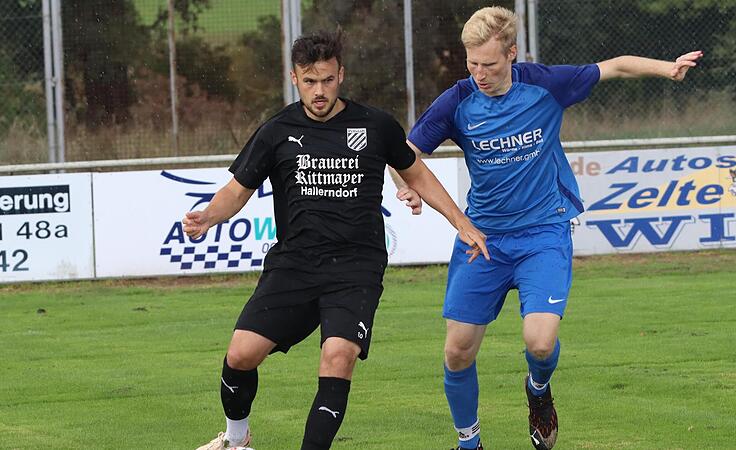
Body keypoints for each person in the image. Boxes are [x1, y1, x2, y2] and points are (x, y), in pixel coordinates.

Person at [391, 7, 702, 450]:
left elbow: (613, 66)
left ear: (512, 54)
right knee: (457, 351)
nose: (479, 73)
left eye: (490, 65)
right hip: (483, 238)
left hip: (543, 232)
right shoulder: (458, 100)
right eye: (472, 63)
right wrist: (407, 186)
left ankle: (538, 391)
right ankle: (469, 443)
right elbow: (403, 151)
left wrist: (667, 68)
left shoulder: (546, 84)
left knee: (539, 343)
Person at [186, 30, 489, 450]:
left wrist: (461, 221)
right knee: (240, 356)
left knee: (337, 357)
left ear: (341, 75)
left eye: (327, 80)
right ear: (295, 79)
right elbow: (238, 190)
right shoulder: (276, 131)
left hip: (356, 268)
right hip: (294, 263)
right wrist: (208, 217)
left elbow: (415, 171)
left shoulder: (375, 124)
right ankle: (237, 440)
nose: (319, 91)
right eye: (310, 82)